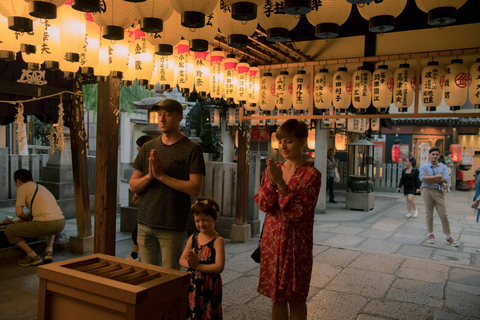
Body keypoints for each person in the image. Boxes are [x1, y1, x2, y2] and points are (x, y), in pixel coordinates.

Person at [254, 119, 322, 320]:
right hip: (272, 241)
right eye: (280, 141)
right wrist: (272, 182)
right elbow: (263, 204)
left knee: (296, 297)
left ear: (303, 141)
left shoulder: (312, 175)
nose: (282, 146)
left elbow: (298, 211)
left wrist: (281, 184)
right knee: (276, 296)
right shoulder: (272, 169)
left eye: (289, 141)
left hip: (296, 244)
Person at [129, 99, 206, 269]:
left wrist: (162, 176)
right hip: (144, 221)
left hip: (172, 224)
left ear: (179, 118)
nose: (162, 119)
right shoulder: (148, 147)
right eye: (159, 115)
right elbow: (133, 185)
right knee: (148, 273)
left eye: (168, 115)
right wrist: (150, 176)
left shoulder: (192, 149)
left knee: (170, 276)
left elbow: (195, 187)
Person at [5, 169, 65, 266]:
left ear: (18, 180)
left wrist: (24, 220)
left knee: (9, 231)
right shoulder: (41, 187)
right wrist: (20, 221)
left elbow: (19, 213)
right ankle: (49, 251)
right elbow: (35, 211)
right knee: (48, 220)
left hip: (45, 225)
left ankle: (32, 256)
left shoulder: (22, 188)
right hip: (61, 223)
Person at [179, 197, 225, 320]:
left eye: (205, 220)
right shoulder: (193, 238)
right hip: (193, 282)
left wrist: (197, 266)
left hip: (209, 284)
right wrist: (190, 264)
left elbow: (219, 266)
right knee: (192, 309)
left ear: (215, 218)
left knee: (207, 311)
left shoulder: (218, 241)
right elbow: (181, 259)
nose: (201, 224)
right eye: (197, 220)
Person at [419, 147, 458, 247]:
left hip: (439, 191)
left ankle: (448, 236)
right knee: (429, 213)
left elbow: (445, 179)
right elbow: (422, 178)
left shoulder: (443, 167)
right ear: (429, 155)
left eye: (436, 154)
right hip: (427, 191)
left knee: (443, 214)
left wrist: (430, 178)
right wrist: (437, 177)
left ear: (439, 156)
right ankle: (430, 234)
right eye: (433, 154)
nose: (434, 156)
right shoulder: (424, 167)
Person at [127, 135, 152, 261]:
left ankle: (135, 256)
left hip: (150, 203)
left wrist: (137, 193)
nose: (137, 148)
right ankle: (135, 255)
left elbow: (143, 182)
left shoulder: (148, 161)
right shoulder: (145, 160)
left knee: (141, 229)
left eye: (139, 145)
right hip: (145, 200)